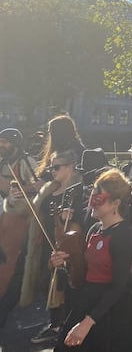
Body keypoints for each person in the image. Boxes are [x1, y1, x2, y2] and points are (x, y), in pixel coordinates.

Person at [50, 169, 132, 351]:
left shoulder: (125, 235)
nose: (91, 202)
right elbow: (86, 270)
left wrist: (87, 323)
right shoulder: (94, 229)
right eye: (91, 194)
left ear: (115, 203)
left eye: (98, 197)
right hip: (88, 299)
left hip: (113, 310)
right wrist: (66, 263)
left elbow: (119, 286)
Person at [22, 151, 83, 344]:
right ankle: (56, 323)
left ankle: (66, 323)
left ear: (70, 167)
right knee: (50, 282)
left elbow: (89, 215)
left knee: (67, 283)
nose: (52, 171)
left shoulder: (79, 189)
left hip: (70, 244)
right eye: (51, 167)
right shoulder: (50, 190)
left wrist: (74, 215)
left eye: (56, 167)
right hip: (47, 242)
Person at [0, 128, 39, 328]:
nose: (1, 146)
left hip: (19, 220)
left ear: (15, 144)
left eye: (5, 142)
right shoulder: (2, 162)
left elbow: (37, 188)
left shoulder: (26, 163)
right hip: (4, 217)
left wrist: (21, 193)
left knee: (9, 261)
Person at [35, 115, 86, 185]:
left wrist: (42, 184)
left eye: (51, 132)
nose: (50, 136)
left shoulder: (75, 152)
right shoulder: (62, 149)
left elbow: (62, 178)